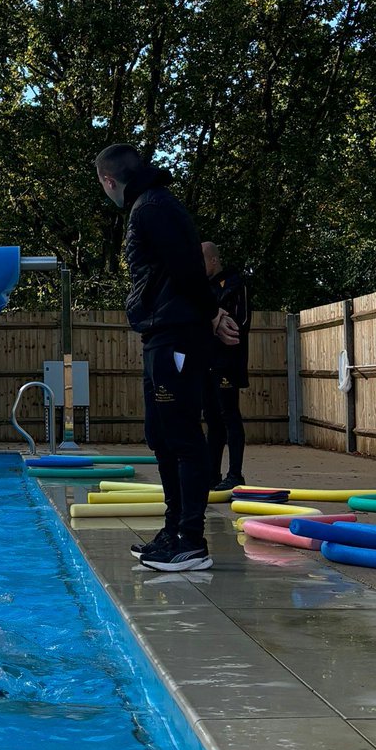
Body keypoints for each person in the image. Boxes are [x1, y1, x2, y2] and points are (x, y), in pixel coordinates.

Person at [94, 144, 238, 573]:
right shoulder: (149, 204)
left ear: (108, 181)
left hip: (177, 334)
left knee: (181, 436)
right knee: (159, 435)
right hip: (162, 332)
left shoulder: (153, 208)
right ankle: (173, 529)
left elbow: (188, 270)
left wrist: (211, 315)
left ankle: (191, 539)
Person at [201, 241, 251, 490]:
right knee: (212, 418)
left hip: (228, 361)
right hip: (208, 361)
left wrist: (216, 318)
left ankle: (235, 473)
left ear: (213, 260)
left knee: (229, 415)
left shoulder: (234, 283)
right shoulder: (204, 288)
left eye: (202, 260)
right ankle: (212, 474)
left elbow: (237, 321)